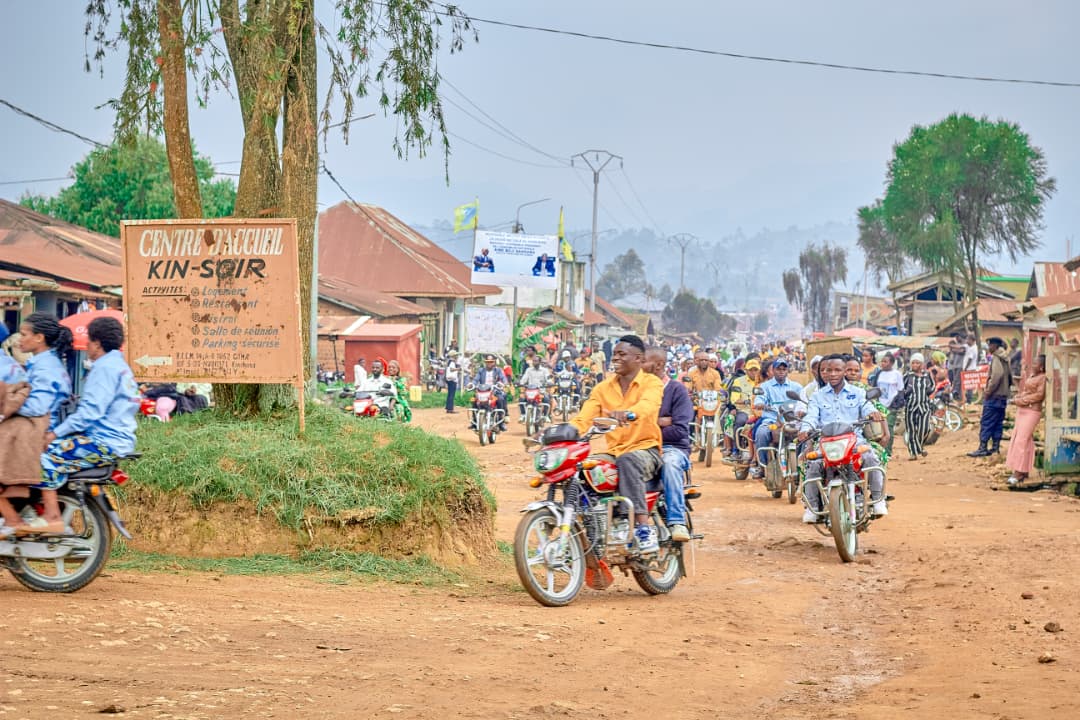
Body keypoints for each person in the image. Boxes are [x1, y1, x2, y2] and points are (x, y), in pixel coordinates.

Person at [31, 317, 137, 536]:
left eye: (89, 341)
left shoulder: (104, 369)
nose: (86, 346)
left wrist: (53, 434)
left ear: (97, 343)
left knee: (42, 456)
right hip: (116, 439)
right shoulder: (119, 366)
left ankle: (51, 516)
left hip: (102, 442)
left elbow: (89, 414)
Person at [571, 335, 664, 553]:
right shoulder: (602, 388)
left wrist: (630, 413)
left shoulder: (652, 383)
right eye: (615, 355)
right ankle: (587, 529)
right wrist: (564, 431)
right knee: (584, 468)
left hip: (645, 449)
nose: (616, 359)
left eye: (622, 354)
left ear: (639, 358)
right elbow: (584, 417)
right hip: (613, 451)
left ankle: (643, 528)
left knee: (628, 460)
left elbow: (648, 406)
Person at [797, 355, 886, 523]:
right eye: (828, 370)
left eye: (837, 370)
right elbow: (811, 416)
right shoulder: (818, 396)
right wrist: (805, 429)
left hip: (853, 440)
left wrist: (872, 413)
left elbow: (867, 406)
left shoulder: (858, 393)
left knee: (870, 457)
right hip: (826, 441)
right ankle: (813, 508)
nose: (832, 374)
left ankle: (877, 499)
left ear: (844, 371)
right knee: (813, 464)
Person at [643, 346, 692, 543]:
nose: (639, 364)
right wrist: (661, 420)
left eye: (643, 361)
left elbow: (680, 430)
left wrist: (649, 425)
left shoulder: (676, 390)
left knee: (670, 463)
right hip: (642, 446)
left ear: (658, 365)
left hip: (672, 447)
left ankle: (676, 521)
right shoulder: (638, 391)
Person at [752, 357, 802, 478]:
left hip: (792, 421)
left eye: (784, 369)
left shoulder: (796, 387)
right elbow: (759, 398)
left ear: (787, 371)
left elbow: (803, 401)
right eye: (778, 369)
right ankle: (762, 466)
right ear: (773, 371)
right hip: (772, 420)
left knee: (806, 435)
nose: (781, 371)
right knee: (761, 433)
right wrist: (760, 404)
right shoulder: (765, 386)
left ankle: (801, 466)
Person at [1006, 354, 1047, 485]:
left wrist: (1021, 401)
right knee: (1024, 440)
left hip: (1032, 411)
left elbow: (1040, 395)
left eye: (1035, 364)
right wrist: (1017, 398)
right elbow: (1027, 391)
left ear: (1041, 367)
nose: (1032, 365)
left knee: (1021, 441)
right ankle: (1024, 470)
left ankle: (1018, 473)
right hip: (1023, 410)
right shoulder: (1033, 376)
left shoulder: (1043, 378)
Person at [968, 337, 1012, 457]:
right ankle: (995, 448)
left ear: (995, 346)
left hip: (994, 396)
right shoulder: (1005, 358)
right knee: (998, 422)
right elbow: (1009, 377)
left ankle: (982, 448)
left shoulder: (997, 358)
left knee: (986, 422)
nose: (989, 348)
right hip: (1002, 396)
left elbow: (997, 375)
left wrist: (988, 391)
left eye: (990, 345)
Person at [902, 353, 934, 461]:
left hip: (924, 406)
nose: (915, 365)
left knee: (925, 429)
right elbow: (902, 389)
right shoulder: (907, 375)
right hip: (910, 407)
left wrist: (929, 390)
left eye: (917, 363)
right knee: (911, 430)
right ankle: (913, 453)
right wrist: (907, 393)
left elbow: (932, 387)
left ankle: (919, 447)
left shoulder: (927, 375)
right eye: (913, 363)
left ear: (922, 364)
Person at [874, 353, 904, 457]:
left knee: (889, 427)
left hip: (891, 405)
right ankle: (880, 451)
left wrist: (896, 404)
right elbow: (875, 388)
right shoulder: (879, 373)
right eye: (882, 361)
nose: (883, 363)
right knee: (879, 429)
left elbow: (900, 390)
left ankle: (888, 452)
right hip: (879, 405)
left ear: (891, 363)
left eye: (885, 361)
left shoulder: (897, 374)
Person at [470, 354, 509, 431]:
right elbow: (476, 379)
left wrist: (504, 383)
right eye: (487, 362)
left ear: (494, 362)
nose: (489, 363)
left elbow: (503, 378)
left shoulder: (498, 370)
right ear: (485, 362)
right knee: (474, 400)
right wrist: (472, 384)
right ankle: (474, 422)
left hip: (494, 390)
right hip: (482, 391)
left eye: (491, 362)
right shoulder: (481, 370)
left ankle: (501, 422)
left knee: (501, 399)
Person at [517, 356, 553, 421]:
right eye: (533, 361)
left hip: (541, 391)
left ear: (539, 362)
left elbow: (548, 379)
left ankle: (545, 415)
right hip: (529, 390)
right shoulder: (528, 370)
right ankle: (523, 415)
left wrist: (549, 383)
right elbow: (524, 379)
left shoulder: (545, 370)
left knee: (546, 399)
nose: (534, 362)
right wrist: (521, 383)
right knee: (521, 399)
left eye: (536, 361)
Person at [947, 334, 966, 402]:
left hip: (960, 366)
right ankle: (955, 394)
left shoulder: (965, 344)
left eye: (958, 337)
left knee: (958, 381)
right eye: (956, 337)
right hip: (955, 366)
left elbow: (962, 351)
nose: (957, 338)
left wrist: (954, 350)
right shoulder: (957, 345)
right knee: (955, 381)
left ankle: (956, 394)